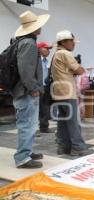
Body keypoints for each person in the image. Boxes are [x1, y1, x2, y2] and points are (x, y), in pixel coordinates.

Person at [12, 11, 50, 168]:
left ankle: (26, 151)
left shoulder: (24, 41)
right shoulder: (28, 43)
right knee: (27, 124)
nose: (41, 27)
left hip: (23, 90)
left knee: (29, 123)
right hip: (26, 91)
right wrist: (33, 88)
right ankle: (22, 158)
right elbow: (26, 71)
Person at [51, 30, 94, 156]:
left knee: (62, 121)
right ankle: (78, 147)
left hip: (59, 92)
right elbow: (79, 70)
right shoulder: (65, 53)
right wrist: (80, 69)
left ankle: (62, 146)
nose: (73, 44)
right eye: (71, 41)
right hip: (68, 91)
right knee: (73, 121)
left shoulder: (56, 54)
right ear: (63, 42)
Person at [36, 42, 54, 136]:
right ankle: (32, 130)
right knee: (35, 109)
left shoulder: (47, 61)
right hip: (37, 87)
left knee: (45, 108)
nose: (48, 51)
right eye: (46, 48)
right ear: (39, 49)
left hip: (46, 87)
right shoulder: (35, 60)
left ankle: (44, 127)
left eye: (49, 49)